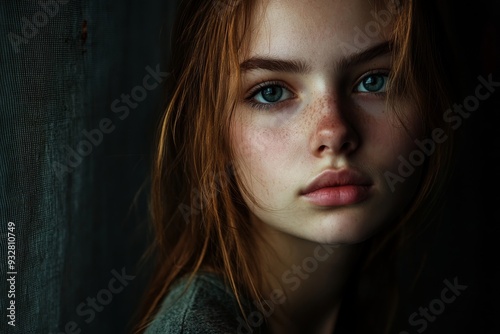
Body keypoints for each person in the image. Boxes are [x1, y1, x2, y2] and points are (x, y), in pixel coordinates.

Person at [132, 0, 458, 333]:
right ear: (209, 129)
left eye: (374, 81)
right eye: (271, 93)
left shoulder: (377, 301)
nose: (333, 133)